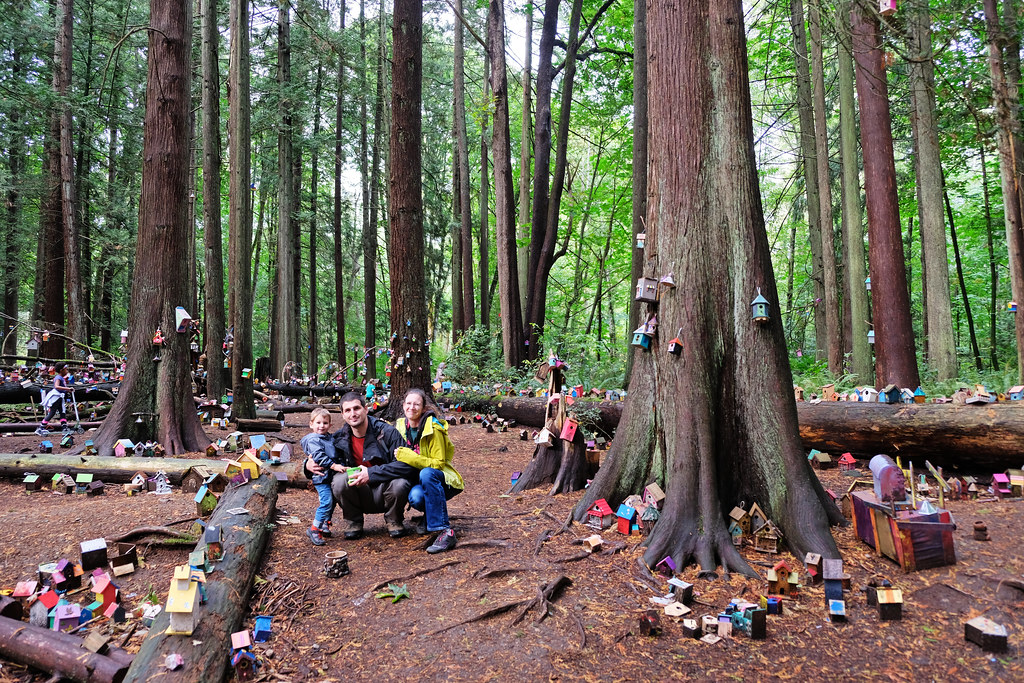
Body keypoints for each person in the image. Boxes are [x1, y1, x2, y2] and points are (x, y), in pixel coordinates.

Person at [304, 393, 413, 539]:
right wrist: (307, 465)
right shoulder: (339, 438)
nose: (353, 414)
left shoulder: (386, 432)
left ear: (365, 409)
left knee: (400, 483)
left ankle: (394, 520)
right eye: (347, 410)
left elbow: (406, 464)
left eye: (356, 408)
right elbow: (322, 456)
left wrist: (371, 473)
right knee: (339, 481)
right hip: (359, 491)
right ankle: (354, 521)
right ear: (342, 415)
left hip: (386, 489)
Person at [394, 388, 464, 554]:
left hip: (440, 479)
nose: (412, 407)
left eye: (416, 404)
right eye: (409, 403)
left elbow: (438, 464)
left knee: (427, 473)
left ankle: (444, 531)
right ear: (403, 405)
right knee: (416, 497)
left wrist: (410, 457)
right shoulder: (400, 426)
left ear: (424, 408)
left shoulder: (433, 428)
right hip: (416, 480)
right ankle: (429, 516)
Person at [300, 408, 339, 546]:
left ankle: (324, 523)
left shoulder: (329, 438)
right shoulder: (313, 440)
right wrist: (333, 465)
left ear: (330, 425)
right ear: (311, 424)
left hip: (329, 476)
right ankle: (314, 528)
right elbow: (319, 456)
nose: (321, 426)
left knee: (332, 500)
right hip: (321, 477)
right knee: (326, 502)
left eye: (325, 423)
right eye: (318, 422)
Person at [37, 363, 72, 435]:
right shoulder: (58, 377)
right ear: (61, 370)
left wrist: (66, 390)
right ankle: (41, 427)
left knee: (62, 412)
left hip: (60, 397)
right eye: (66, 369)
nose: (67, 371)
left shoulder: (61, 378)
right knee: (52, 412)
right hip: (56, 397)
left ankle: (64, 427)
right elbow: (56, 386)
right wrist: (67, 389)